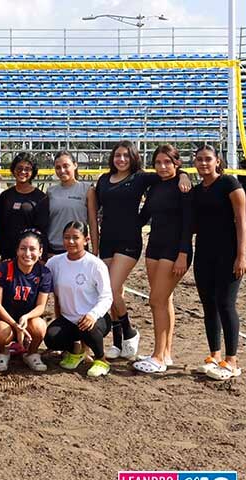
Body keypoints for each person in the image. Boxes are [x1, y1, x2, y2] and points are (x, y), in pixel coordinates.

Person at [87, 141, 190, 360]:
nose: (121, 159)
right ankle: (118, 342)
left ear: (133, 157)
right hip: (107, 241)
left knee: (111, 290)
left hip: (129, 241)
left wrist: (184, 175)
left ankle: (130, 332)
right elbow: (95, 208)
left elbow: (168, 174)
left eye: (125, 155)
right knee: (114, 294)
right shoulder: (104, 180)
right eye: (117, 155)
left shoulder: (141, 177)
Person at [132, 145, 193, 374]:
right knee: (164, 300)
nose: (163, 167)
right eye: (158, 162)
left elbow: (188, 224)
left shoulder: (184, 186)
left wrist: (183, 255)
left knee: (156, 300)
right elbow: (144, 216)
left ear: (176, 163)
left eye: (167, 162)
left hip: (175, 250)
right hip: (154, 247)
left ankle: (157, 356)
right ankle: (165, 353)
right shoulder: (155, 185)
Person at [190, 144, 246, 380]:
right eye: (199, 159)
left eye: (207, 159)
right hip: (204, 253)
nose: (203, 163)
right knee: (208, 305)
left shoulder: (230, 184)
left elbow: (241, 222)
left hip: (228, 254)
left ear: (217, 161)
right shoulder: (196, 190)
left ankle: (232, 361)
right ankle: (215, 355)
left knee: (225, 303)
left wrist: (241, 255)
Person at [45, 221, 113, 377]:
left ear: (86, 240)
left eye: (75, 237)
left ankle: (101, 359)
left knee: (88, 327)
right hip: (69, 319)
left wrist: (93, 315)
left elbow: (107, 296)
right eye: (66, 237)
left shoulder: (95, 265)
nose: (70, 242)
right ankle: (76, 352)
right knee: (51, 337)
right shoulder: (55, 262)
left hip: (93, 319)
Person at [0, 230, 52, 372]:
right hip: (5, 319)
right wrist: (14, 324)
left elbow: (41, 306)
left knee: (40, 327)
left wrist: (26, 317)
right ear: (17, 250)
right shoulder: (4, 268)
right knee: (0, 331)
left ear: (40, 251)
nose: (27, 253)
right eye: (23, 248)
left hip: (27, 320)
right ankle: (2, 352)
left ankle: (31, 353)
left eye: (32, 249)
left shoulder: (44, 273)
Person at [0, 152, 48, 263]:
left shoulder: (41, 198)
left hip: (29, 254)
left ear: (33, 172)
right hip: (8, 253)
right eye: (19, 168)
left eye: (27, 169)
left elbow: (42, 230)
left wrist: (42, 255)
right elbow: (1, 227)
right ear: (13, 170)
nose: (23, 172)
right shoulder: (5, 196)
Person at [47, 151, 89, 257]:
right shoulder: (50, 191)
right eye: (58, 167)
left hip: (79, 249)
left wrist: (95, 250)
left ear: (75, 165)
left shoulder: (87, 189)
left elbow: (93, 222)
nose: (62, 171)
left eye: (66, 166)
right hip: (54, 249)